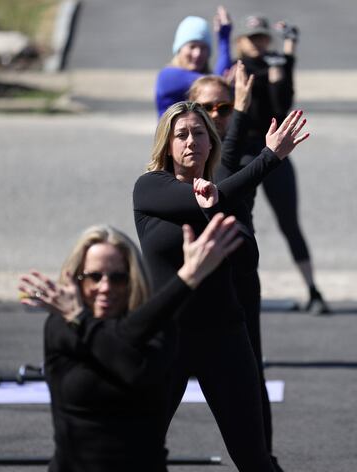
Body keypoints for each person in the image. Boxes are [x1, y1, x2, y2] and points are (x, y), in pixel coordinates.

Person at [133, 101, 309, 471]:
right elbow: (201, 198)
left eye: (199, 133)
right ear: (167, 144)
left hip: (224, 337)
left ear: (212, 143)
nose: (190, 142)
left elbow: (246, 261)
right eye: (181, 135)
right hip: (166, 338)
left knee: (253, 455)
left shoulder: (228, 197)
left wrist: (217, 206)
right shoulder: (150, 188)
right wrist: (267, 158)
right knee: (137, 448)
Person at [18, 220, 243, 472]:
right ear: (77, 280)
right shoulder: (61, 327)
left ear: (132, 279)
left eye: (118, 278)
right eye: (94, 277)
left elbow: (132, 367)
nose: (105, 287)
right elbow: (118, 341)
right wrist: (186, 279)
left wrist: (81, 320)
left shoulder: (157, 329)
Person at [188, 63, 283, 471]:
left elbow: (224, 176)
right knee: (168, 377)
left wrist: (243, 111)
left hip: (238, 281)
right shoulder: (179, 152)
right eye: (206, 108)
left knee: (249, 373)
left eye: (224, 108)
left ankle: (264, 458)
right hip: (188, 284)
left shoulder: (242, 152)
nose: (216, 115)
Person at [231, 14, 330, 314]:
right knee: (236, 219)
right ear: (242, 42)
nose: (259, 43)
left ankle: (313, 290)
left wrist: (283, 64)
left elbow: (282, 108)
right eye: (253, 38)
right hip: (243, 153)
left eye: (262, 37)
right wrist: (280, 64)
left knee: (289, 221)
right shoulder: (238, 69)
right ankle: (234, 287)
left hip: (275, 151)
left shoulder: (277, 65)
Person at [155, 6, 232, 117]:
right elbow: (219, 83)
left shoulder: (206, 76)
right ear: (179, 49)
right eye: (192, 47)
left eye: (203, 48)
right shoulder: (168, 75)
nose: (197, 53)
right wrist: (224, 39)